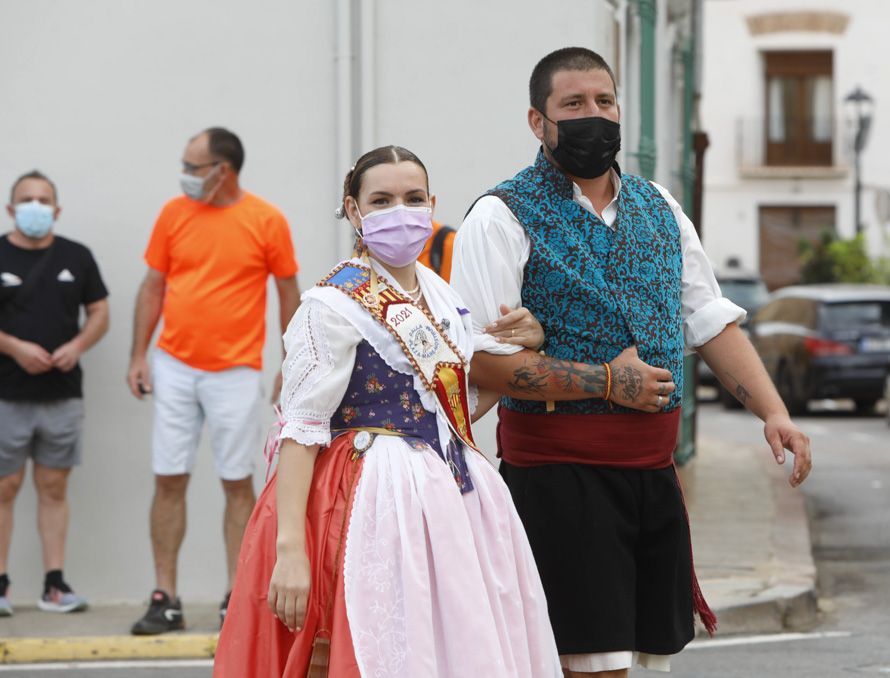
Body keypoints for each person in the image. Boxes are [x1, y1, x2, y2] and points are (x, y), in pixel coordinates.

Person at [451, 47, 813, 677]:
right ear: (538, 122)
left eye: (605, 102)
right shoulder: (500, 215)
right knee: (590, 664)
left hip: (650, 473)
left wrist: (773, 411)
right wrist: (608, 382)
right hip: (560, 477)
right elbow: (480, 364)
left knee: (638, 660)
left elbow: (707, 320)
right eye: (574, 104)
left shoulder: (661, 209)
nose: (595, 115)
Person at [213, 146, 561, 677]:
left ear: (432, 204)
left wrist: (529, 344)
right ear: (353, 210)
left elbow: (458, 406)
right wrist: (291, 551)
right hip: (366, 499)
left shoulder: (444, 297)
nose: (400, 211)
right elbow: (300, 432)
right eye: (381, 200)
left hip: (450, 499)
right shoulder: (332, 305)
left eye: (412, 198)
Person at [127, 127, 301, 635]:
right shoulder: (173, 214)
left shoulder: (266, 220)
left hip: (236, 371)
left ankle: (236, 596)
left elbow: (289, 294)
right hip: (175, 366)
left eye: (193, 166)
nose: (184, 176)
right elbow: (152, 286)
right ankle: (165, 598)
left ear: (222, 171)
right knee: (168, 476)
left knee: (237, 482)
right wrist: (138, 355)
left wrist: (289, 363)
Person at [0, 170, 109, 617]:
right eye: (27, 199)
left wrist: (78, 345)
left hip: (62, 395)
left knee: (53, 486)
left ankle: (54, 584)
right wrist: (14, 347)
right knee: (4, 487)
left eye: (44, 199)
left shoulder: (76, 257)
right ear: (11, 209)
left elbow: (99, 310)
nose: (36, 207)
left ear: (57, 210)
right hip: (6, 395)